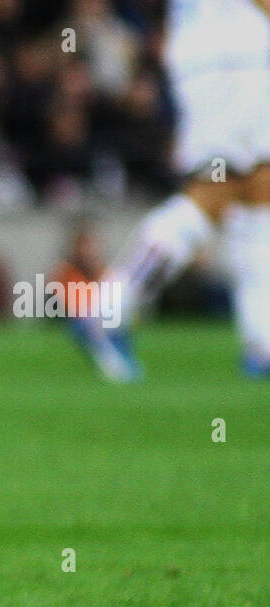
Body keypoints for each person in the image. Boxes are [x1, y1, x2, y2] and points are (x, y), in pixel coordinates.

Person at [74, 0, 270, 379]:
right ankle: (106, 312)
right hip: (230, 58)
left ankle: (262, 342)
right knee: (216, 188)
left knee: (260, 187)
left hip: (234, 51)